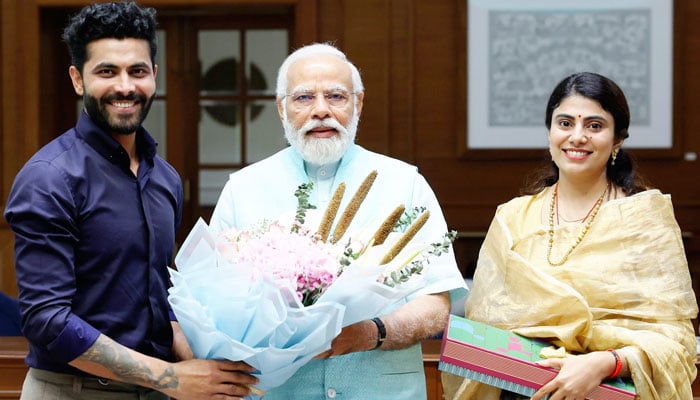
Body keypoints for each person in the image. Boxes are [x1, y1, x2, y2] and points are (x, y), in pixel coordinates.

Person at [3, 2, 257, 399]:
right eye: (107, 71)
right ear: (77, 79)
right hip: (74, 391)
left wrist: (213, 362)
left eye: (137, 71)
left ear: (154, 75)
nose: (125, 86)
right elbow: (46, 321)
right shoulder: (49, 178)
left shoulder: (165, 179)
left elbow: (159, 297)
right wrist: (172, 378)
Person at [208, 42, 468, 399]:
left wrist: (370, 333)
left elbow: (437, 305)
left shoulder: (405, 184)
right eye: (303, 98)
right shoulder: (243, 188)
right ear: (281, 109)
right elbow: (213, 300)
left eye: (336, 96)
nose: (320, 111)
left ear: (358, 104)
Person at [441, 72, 698, 400]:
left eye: (594, 126)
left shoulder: (645, 221)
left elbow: (676, 341)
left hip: (610, 390)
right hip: (521, 390)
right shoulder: (513, 218)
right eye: (565, 123)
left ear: (617, 139)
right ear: (549, 132)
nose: (577, 136)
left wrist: (605, 362)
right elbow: (487, 322)